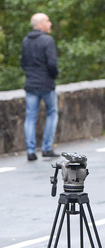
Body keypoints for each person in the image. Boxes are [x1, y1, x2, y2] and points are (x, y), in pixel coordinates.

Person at [21, 13, 59, 160]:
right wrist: (54, 75)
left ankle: (31, 151)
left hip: (30, 84)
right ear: (40, 24)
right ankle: (46, 148)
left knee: (30, 117)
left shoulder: (26, 40)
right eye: (47, 21)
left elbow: (23, 63)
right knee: (52, 113)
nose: (50, 24)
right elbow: (52, 63)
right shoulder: (47, 40)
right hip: (46, 84)